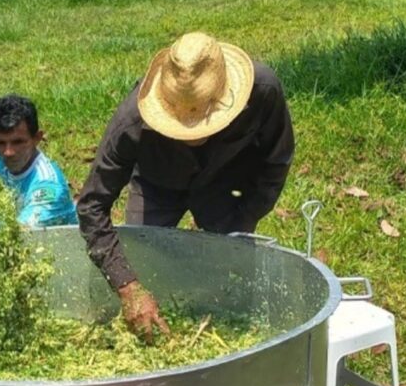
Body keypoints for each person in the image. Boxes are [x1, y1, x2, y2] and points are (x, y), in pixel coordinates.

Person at [76, 32, 295, 342]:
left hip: (226, 181)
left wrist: (245, 218)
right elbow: (92, 206)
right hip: (157, 183)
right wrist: (128, 286)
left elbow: (276, 161)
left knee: (233, 281)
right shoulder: (132, 122)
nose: (192, 135)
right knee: (141, 262)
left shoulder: (262, 91)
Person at [0, 94, 78, 228]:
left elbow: (18, 234)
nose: (8, 152)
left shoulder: (48, 188)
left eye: (18, 142)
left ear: (37, 138)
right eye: (1, 143)